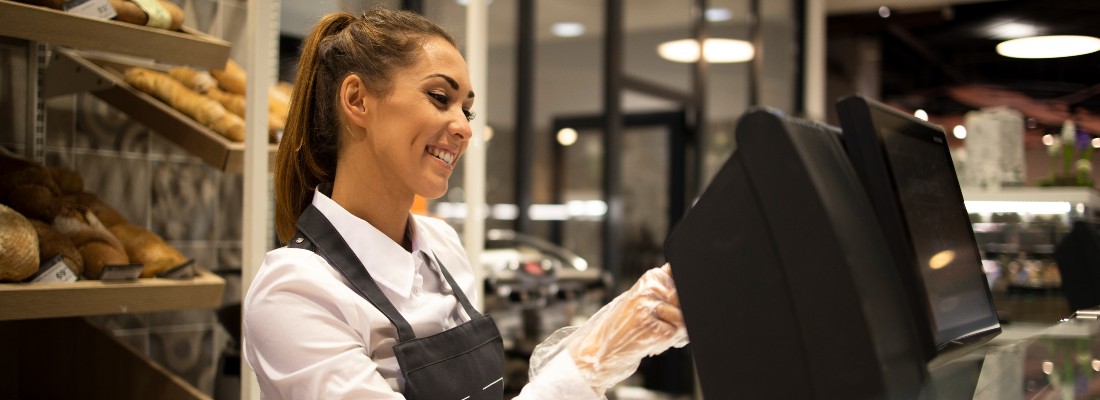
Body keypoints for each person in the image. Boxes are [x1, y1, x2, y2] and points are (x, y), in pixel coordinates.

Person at [243, 8, 686, 399]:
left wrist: (621, 337)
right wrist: (589, 359)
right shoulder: (295, 293)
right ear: (357, 99)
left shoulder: (442, 247)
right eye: (440, 98)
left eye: (466, 110)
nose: (464, 128)